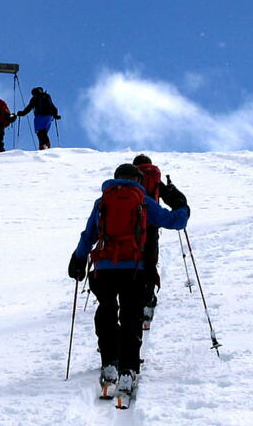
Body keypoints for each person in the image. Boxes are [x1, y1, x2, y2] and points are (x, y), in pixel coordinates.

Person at [68, 163, 190, 404]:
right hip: (134, 269)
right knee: (131, 315)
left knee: (106, 310)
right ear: (138, 179)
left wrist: (78, 259)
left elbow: (88, 235)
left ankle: (109, 364)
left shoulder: (102, 201)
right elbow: (175, 221)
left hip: (104, 269)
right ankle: (128, 370)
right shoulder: (143, 200)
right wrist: (181, 203)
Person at [132, 154, 162, 331]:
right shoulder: (156, 176)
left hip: (133, 226)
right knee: (150, 262)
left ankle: (131, 299)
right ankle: (148, 301)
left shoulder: (134, 175)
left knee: (134, 260)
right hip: (152, 225)